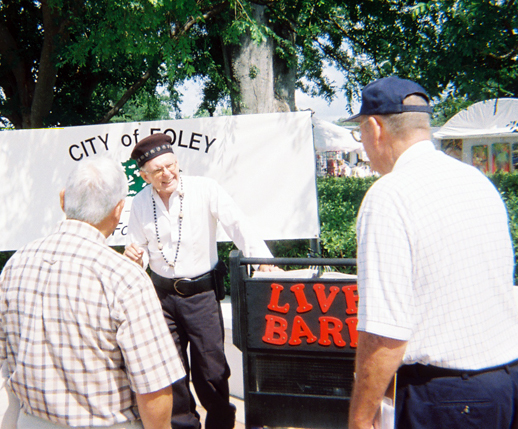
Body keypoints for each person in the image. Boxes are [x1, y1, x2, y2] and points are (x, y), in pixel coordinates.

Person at [346, 76, 518, 429]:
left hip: (446, 398)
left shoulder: (388, 196)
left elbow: (385, 332)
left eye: (360, 132)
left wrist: (361, 418)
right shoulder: (477, 181)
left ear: (375, 128)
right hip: (504, 385)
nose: (363, 145)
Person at [0, 157, 185, 429]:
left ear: (63, 200)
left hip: (31, 421)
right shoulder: (125, 277)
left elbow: (7, 358)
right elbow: (153, 387)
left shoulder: (16, 264)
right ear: (118, 210)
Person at [124, 133, 277, 429]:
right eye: (158, 170)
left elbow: (238, 223)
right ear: (145, 175)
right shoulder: (141, 202)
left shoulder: (205, 189)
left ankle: (220, 424)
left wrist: (262, 260)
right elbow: (139, 249)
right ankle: (184, 425)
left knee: (212, 369)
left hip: (202, 296)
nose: (167, 174)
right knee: (172, 370)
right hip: (162, 298)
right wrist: (135, 257)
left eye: (171, 166)